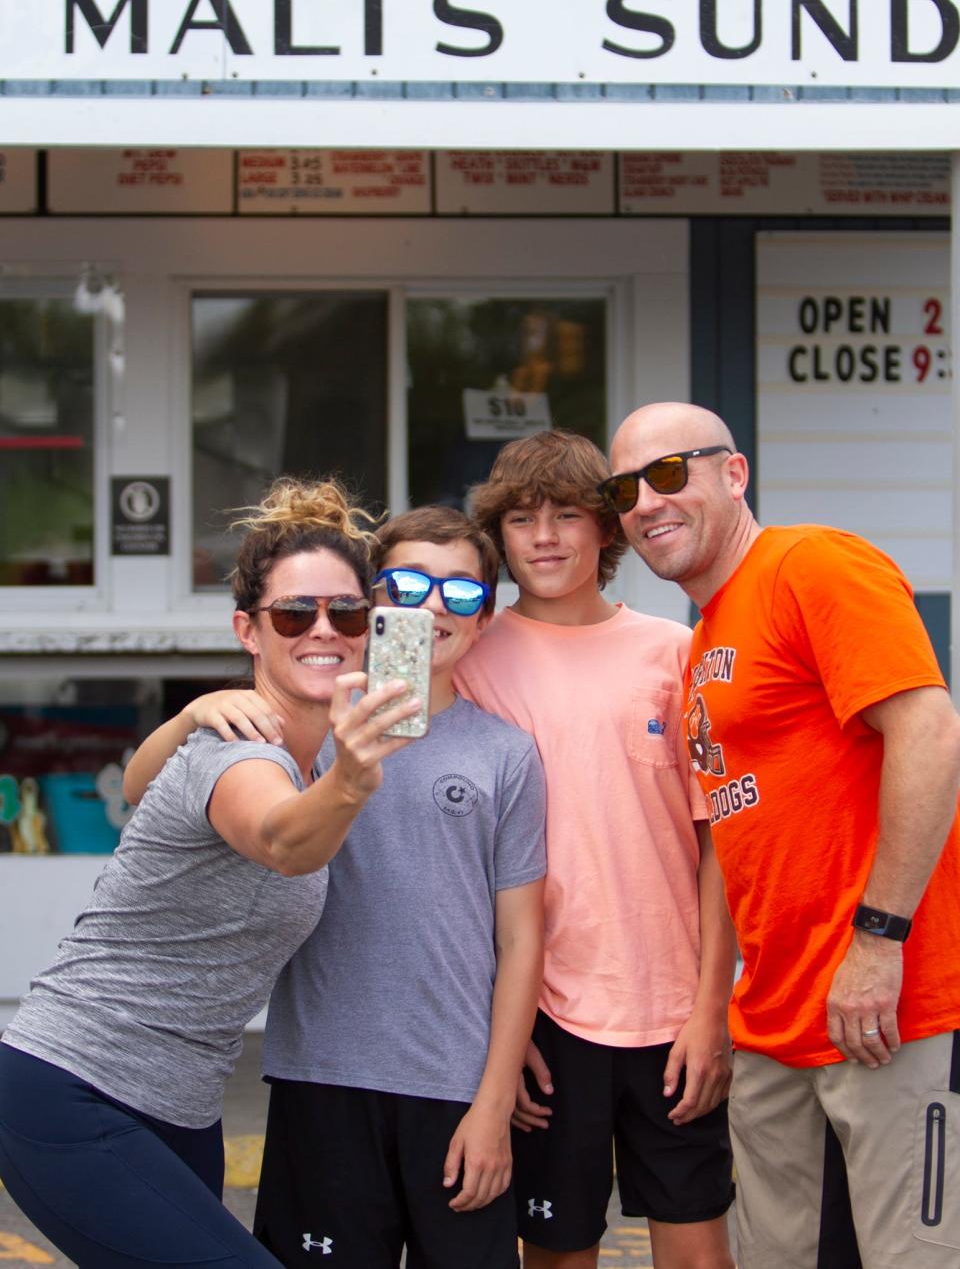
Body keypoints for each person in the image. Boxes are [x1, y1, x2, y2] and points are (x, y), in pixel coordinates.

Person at [0, 477, 422, 1269]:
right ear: (248, 631)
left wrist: (190, 713)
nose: (323, 629)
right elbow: (282, 840)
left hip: (179, 1107)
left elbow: (134, 786)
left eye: (348, 612)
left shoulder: (304, 753)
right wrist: (352, 781)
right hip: (71, 1089)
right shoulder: (244, 756)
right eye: (295, 614)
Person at [128, 505, 547, 1269]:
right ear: (370, 606)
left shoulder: (505, 754)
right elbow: (143, 787)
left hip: (453, 1084)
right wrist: (194, 711)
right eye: (408, 584)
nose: (431, 607)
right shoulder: (302, 730)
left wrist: (492, 1104)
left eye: (460, 593)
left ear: (485, 617)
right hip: (318, 1077)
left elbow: (521, 938)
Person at [605, 401, 960, 1269]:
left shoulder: (810, 563)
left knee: (913, 1256)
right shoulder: (702, 643)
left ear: (734, 474)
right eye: (624, 487)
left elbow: (931, 731)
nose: (646, 501)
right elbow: (734, 830)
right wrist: (722, 1005)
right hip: (774, 1018)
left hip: (890, 1007)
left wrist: (879, 941)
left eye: (667, 472)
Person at [458, 429, 736, 1269]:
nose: (544, 535)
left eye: (568, 514)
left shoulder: (674, 652)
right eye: (521, 518)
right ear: (498, 537)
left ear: (608, 528)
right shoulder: (471, 657)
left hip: (672, 1015)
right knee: (555, 1253)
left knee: (698, 1256)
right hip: (544, 1023)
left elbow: (717, 842)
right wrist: (498, 1033)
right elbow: (452, 865)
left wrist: (710, 1009)